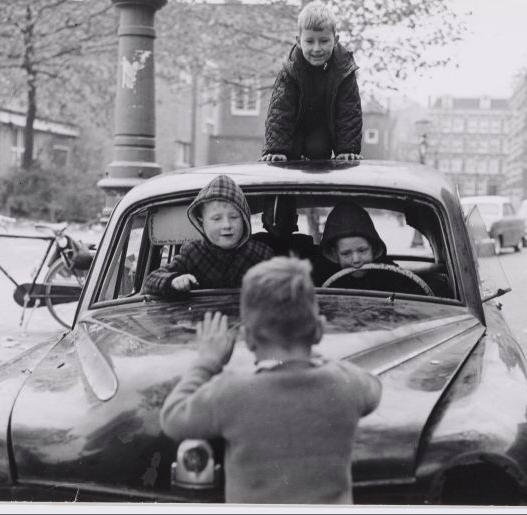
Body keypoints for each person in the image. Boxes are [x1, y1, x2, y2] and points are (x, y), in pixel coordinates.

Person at [159, 257, 382, 504]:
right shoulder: (346, 383)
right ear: (318, 330)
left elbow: (172, 418)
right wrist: (313, 355)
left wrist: (208, 362)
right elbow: (374, 388)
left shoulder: (231, 392)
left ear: (248, 338)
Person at [261, 0, 363, 162]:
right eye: (310, 41)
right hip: (293, 139)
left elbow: (349, 112)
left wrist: (347, 150)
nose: (317, 49)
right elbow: (280, 112)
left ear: (335, 40)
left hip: (324, 138)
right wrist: (276, 149)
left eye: (324, 41)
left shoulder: (344, 71)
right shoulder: (289, 71)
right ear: (298, 41)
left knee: (318, 148)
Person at [144, 175, 273, 297]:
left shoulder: (262, 254)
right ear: (202, 223)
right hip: (203, 319)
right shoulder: (192, 253)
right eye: (217, 218)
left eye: (234, 217)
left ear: (244, 219)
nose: (227, 225)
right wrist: (173, 280)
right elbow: (151, 280)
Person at [317, 201, 393, 290]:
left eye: (362, 250)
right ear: (334, 254)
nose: (356, 260)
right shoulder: (321, 276)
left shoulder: (390, 272)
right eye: (346, 253)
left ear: (373, 248)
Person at [250, 195, 316, 259]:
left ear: (295, 219)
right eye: (275, 216)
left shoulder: (305, 245)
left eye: (287, 216)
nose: (281, 221)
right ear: (263, 218)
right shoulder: (253, 245)